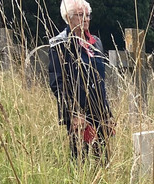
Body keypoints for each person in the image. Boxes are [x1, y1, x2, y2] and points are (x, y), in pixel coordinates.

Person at [48, 0, 113, 161]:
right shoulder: (59, 43)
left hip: (99, 110)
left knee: (103, 160)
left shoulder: (96, 43)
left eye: (88, 15)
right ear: (68, 18)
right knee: (79, 160)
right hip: (78, 113)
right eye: (80, 15)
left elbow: (100, 82)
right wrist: (73, 113)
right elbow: (58, 83)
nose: (86, 19)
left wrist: (107, 114)